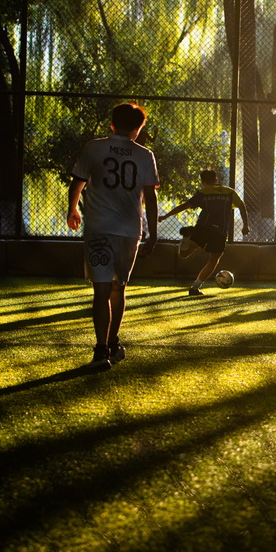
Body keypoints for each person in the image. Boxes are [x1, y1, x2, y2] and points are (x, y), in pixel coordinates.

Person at [67, 102, 159, 370]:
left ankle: (100, 351)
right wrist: (153, 233)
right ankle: (113, 343)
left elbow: (77, 182)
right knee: (119, 288)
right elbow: (151, 197)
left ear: (112, 124)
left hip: (99, 227)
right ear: (138, 129)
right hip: (129, 230)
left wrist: (73, 209)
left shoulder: (94, 147)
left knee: (101, 289)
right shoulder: (145, 155)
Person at [160, 169, 249, 296]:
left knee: (184, 254)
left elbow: (184, 206)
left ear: (203, 182)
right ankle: (195, 288)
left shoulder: (203, 193)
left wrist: (166, 216)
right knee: (213, 260)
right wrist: (245, 225)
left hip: (203, 227)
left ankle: (186, 238)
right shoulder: (229, 192)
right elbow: (242, 206)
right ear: (216, 180)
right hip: (219, 231)